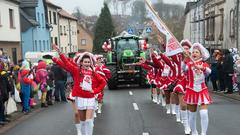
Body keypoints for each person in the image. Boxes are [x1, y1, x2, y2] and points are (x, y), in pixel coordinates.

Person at [54, 45, 106, 135]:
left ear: (91, 63)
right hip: (80, 98)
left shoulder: (93, 73)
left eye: (88, 62)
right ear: (81, 63)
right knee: (82, 121)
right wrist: (60, 53)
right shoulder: (76, 71)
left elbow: (103, 82)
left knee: (89, 121)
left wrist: (95, 91)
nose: (87, 64)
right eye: (85, 62)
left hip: (90, 98)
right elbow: (66, 63)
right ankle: (80, 132)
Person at [184, 43, 212, 135]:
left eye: (197, 52)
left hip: (202, 91)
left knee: (204, 113)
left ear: (201, 54)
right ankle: (194, 132)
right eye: (193, 52)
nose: (194, 53)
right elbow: (183, 69)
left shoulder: (204, 64)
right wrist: (186, 59)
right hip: (191, 91)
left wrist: (202, 68)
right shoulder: (189, 64)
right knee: (192, 115)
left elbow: (209, 72)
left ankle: (203, 133)